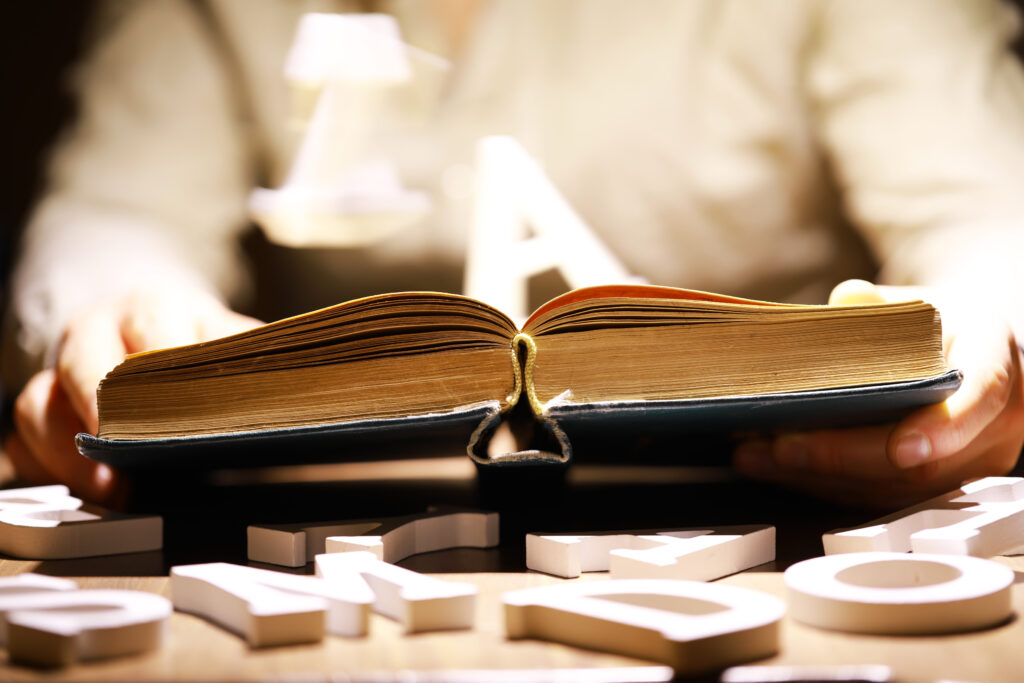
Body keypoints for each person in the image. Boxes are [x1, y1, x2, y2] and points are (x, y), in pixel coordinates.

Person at [4, 0, 1024, 508]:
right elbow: (120, 212)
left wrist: (982, 330)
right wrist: (128, 322)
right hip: (346, 522)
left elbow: (984, 203)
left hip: (782, 496)